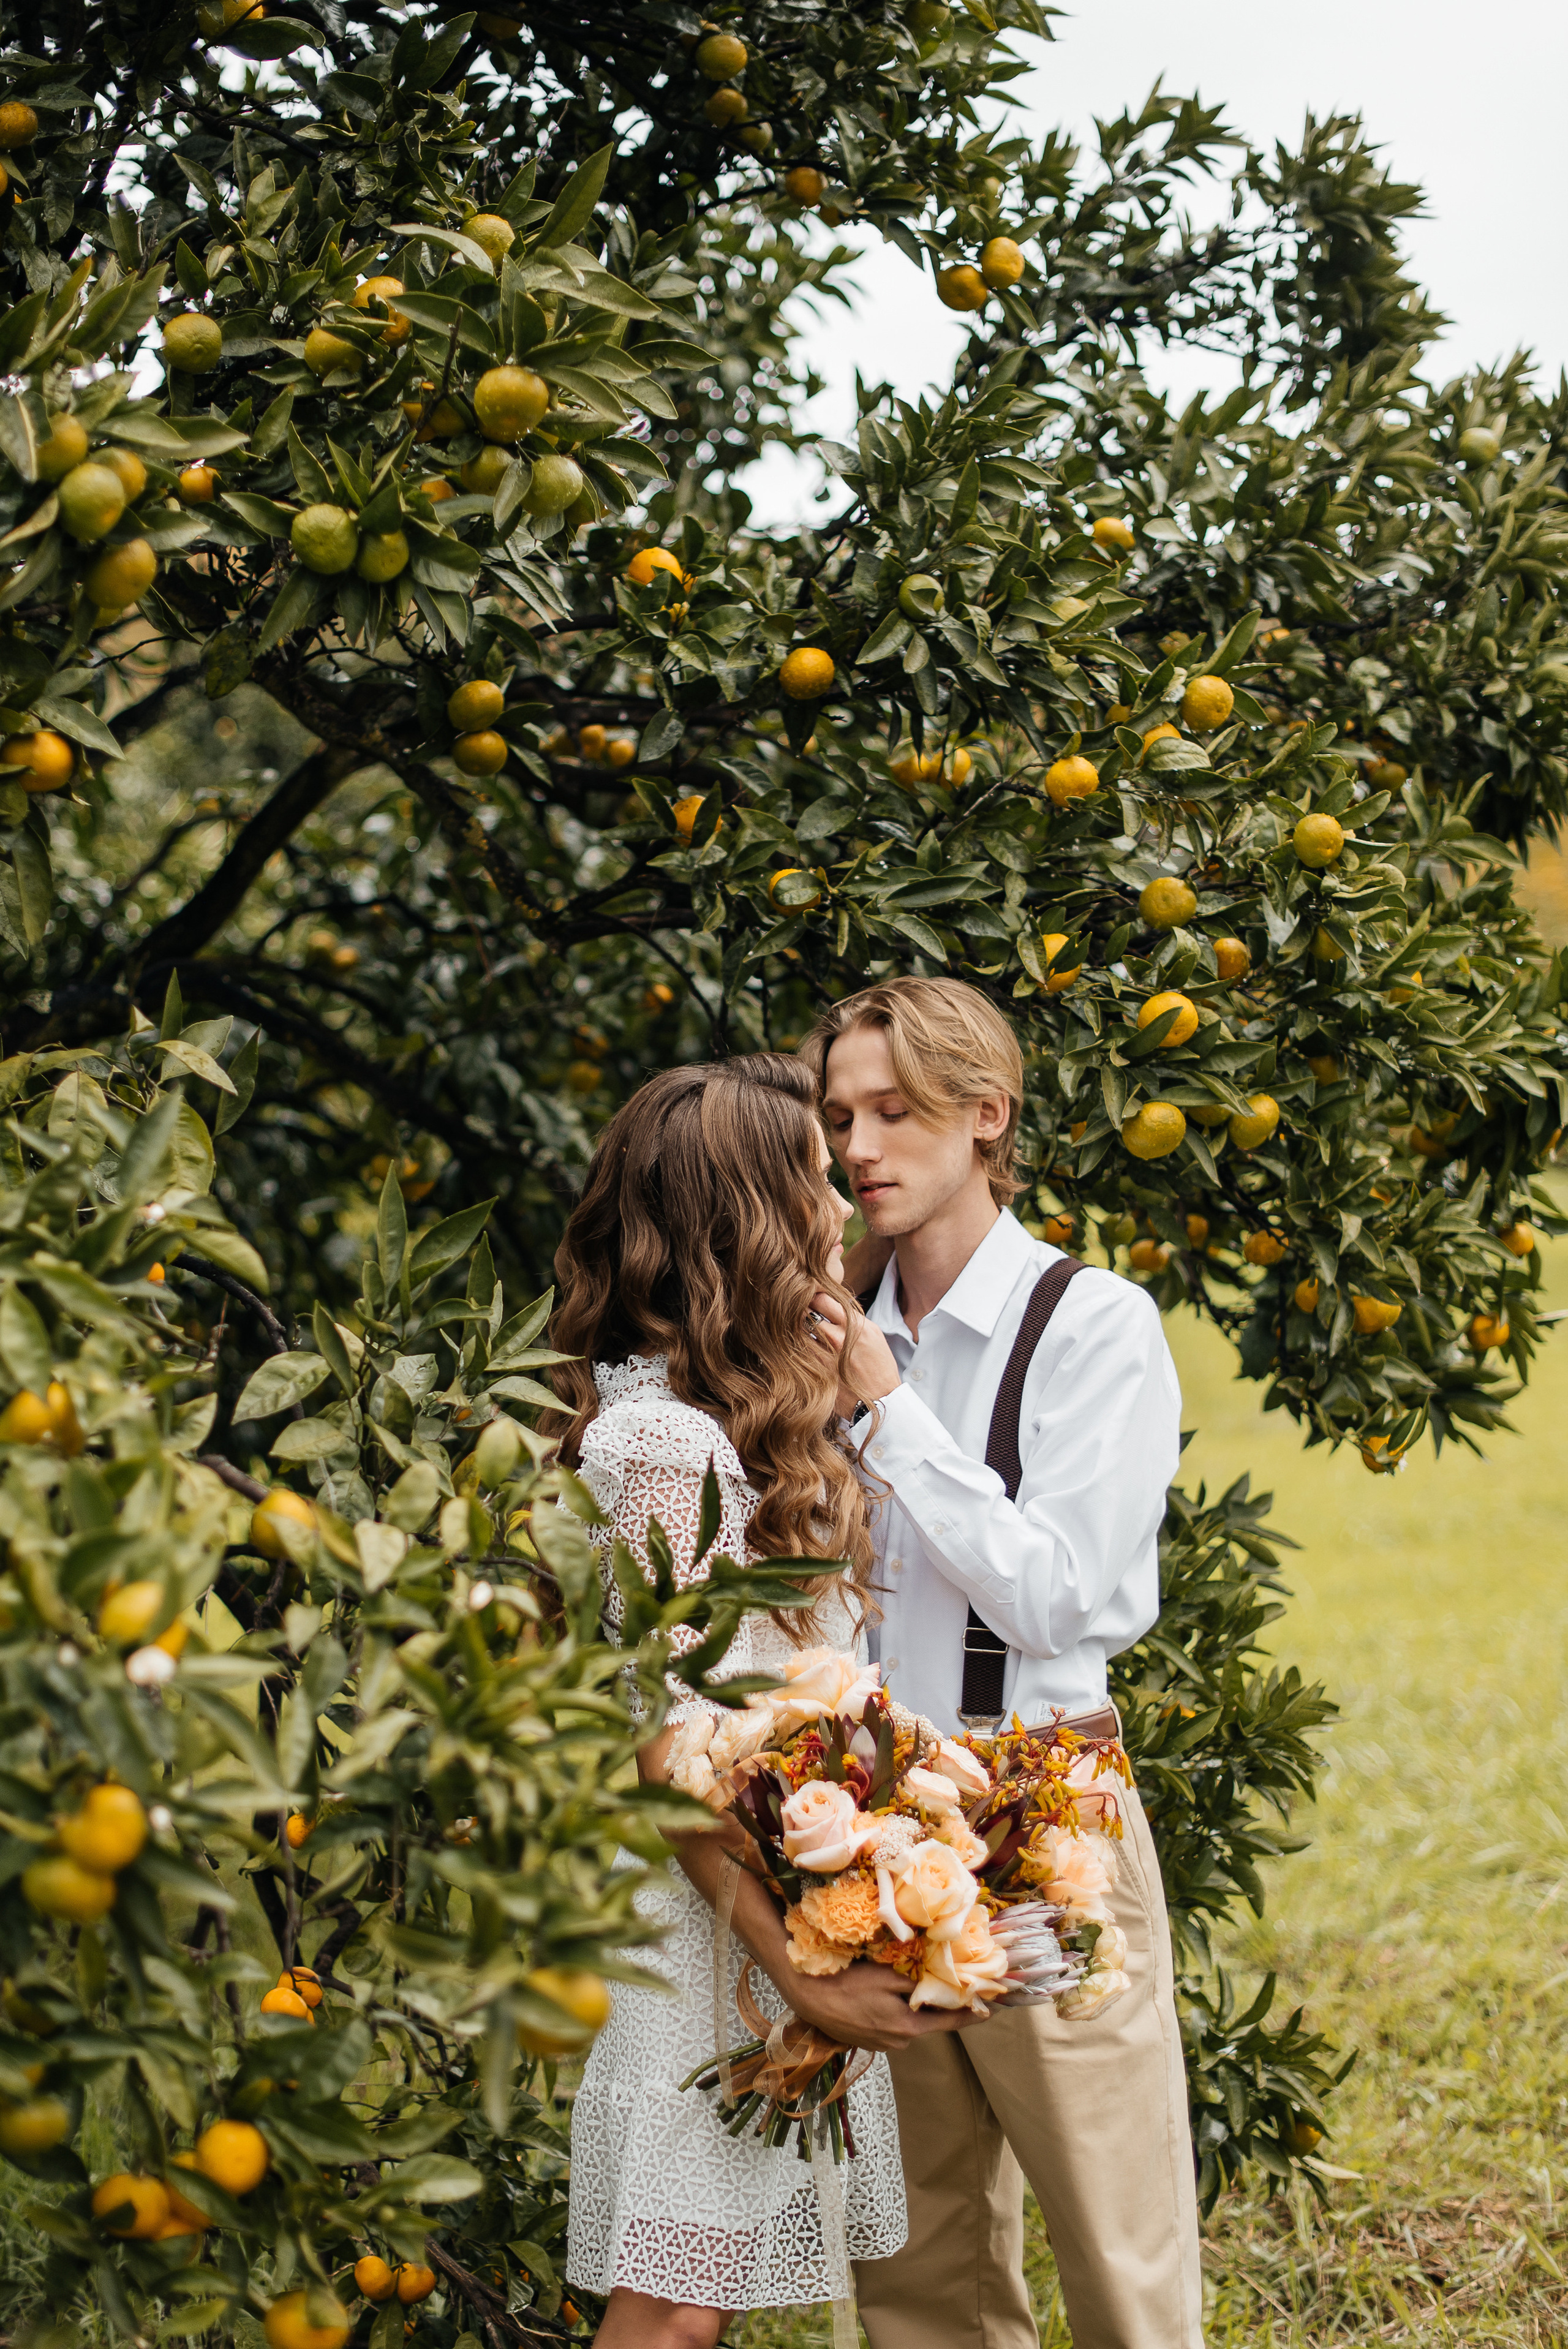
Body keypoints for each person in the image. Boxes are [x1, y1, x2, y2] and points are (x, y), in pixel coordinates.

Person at [551, 1054, 984, 2349]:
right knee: (674, 2308)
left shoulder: (720, 1423)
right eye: (810, 1181)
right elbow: (666, 1744)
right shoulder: (657, 1446)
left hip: (757, 1911)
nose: (840, 1204)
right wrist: (801, 1970)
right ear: (740, 1214)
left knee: (702, 2301)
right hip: (701, 1929)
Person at [799, 978, 1202, 2349]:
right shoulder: (831, 1323)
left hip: (1040, 1809)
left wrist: (889, 1411)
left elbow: (1061, 1595)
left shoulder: (1091, 1327)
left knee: (1115, 2245)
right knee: (917, 2266)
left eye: (894, 1111)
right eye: (841, 1113)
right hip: (869, 1823)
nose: (860, 1146)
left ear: (986, 1117)